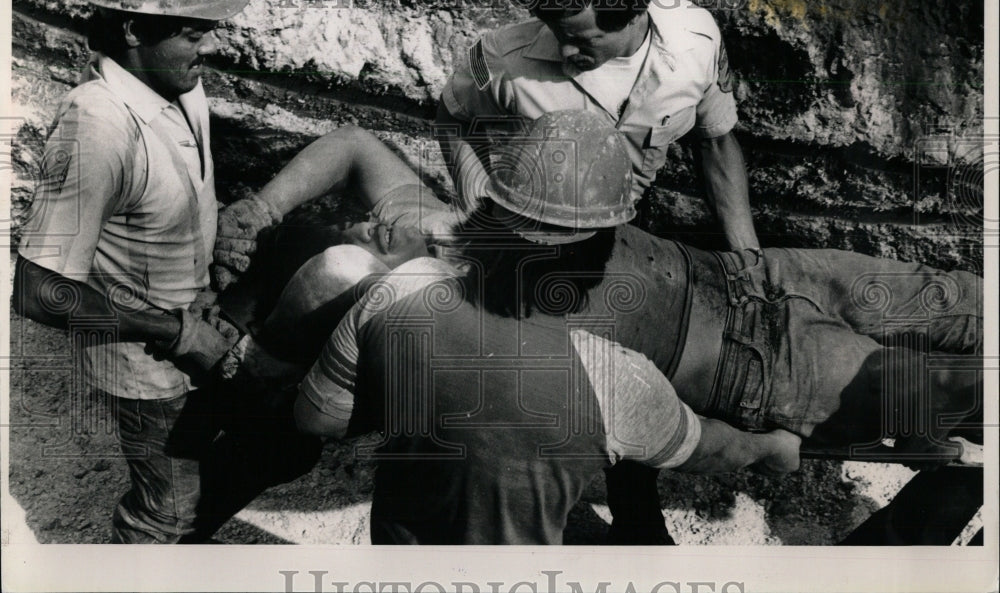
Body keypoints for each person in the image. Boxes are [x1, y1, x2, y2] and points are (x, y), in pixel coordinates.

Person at [218, 112, 981, 543]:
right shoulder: (437, 327)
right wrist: (770, 450)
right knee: (945, 390)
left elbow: (356, 144)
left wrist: (258, 208)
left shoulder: (460, 222)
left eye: (366, 218)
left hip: (749, 272)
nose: (376, 220)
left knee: (952, 296)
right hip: (757, 365)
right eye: (367, 239)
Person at [435, 0, 760, 540]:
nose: (564, 50)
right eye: (557, 31)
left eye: (583, 40)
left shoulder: (695, 44)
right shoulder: (501, 58)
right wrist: (480, 217)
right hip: (526, 237)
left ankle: (635, 506)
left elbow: (718, 142)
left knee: (634, 363)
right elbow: (453, 116)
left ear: (635, 13)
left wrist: (748, 258)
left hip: (619, 234)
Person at [13, 0, 316, 543]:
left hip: (198, 328)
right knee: (166, 511)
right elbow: (40, 292)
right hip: (149, 369)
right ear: (131, 28)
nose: (212, 44)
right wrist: (178, 334)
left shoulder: (177, 80)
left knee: (292, 443)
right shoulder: (94, 128)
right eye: (192, 30)